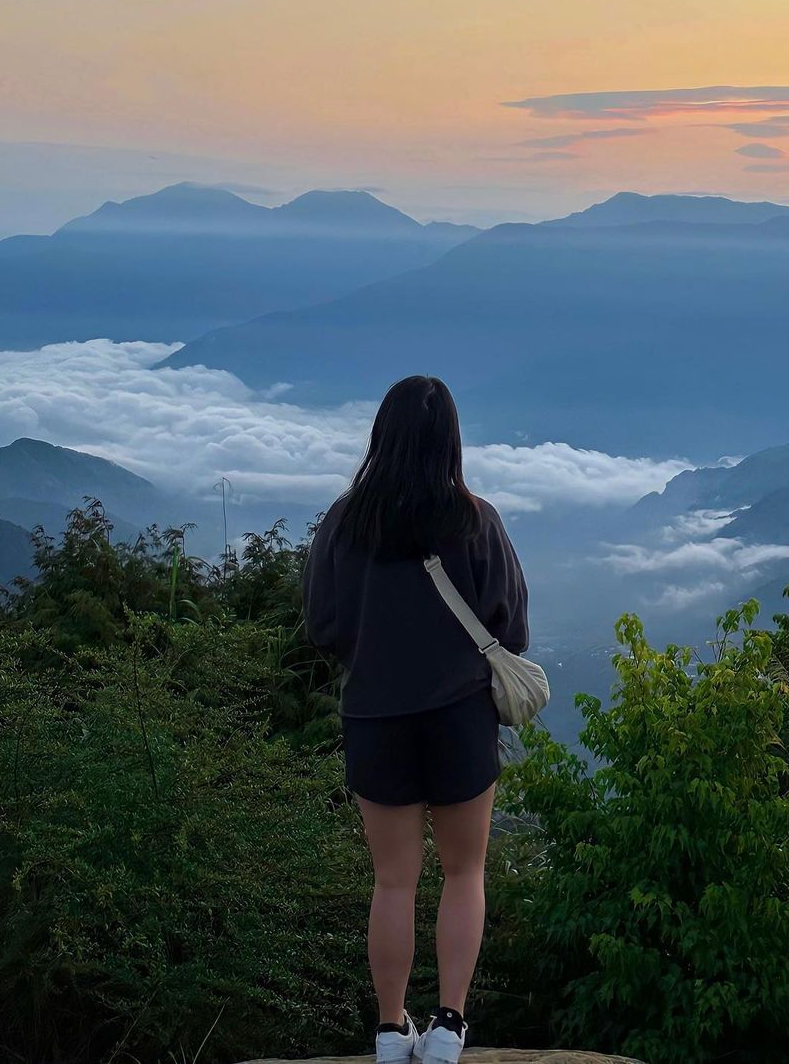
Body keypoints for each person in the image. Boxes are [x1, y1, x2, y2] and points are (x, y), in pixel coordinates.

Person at [302, 375, 529, 1064]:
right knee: (465, 872)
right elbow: (510, 625)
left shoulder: (344, 523)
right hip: (460, 718)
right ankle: (449, 1026)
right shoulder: (476, 519)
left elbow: (322, 624)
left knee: (393, 879)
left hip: (375, 717)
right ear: (450, 442)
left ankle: (389, 1028)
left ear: (381, 436)